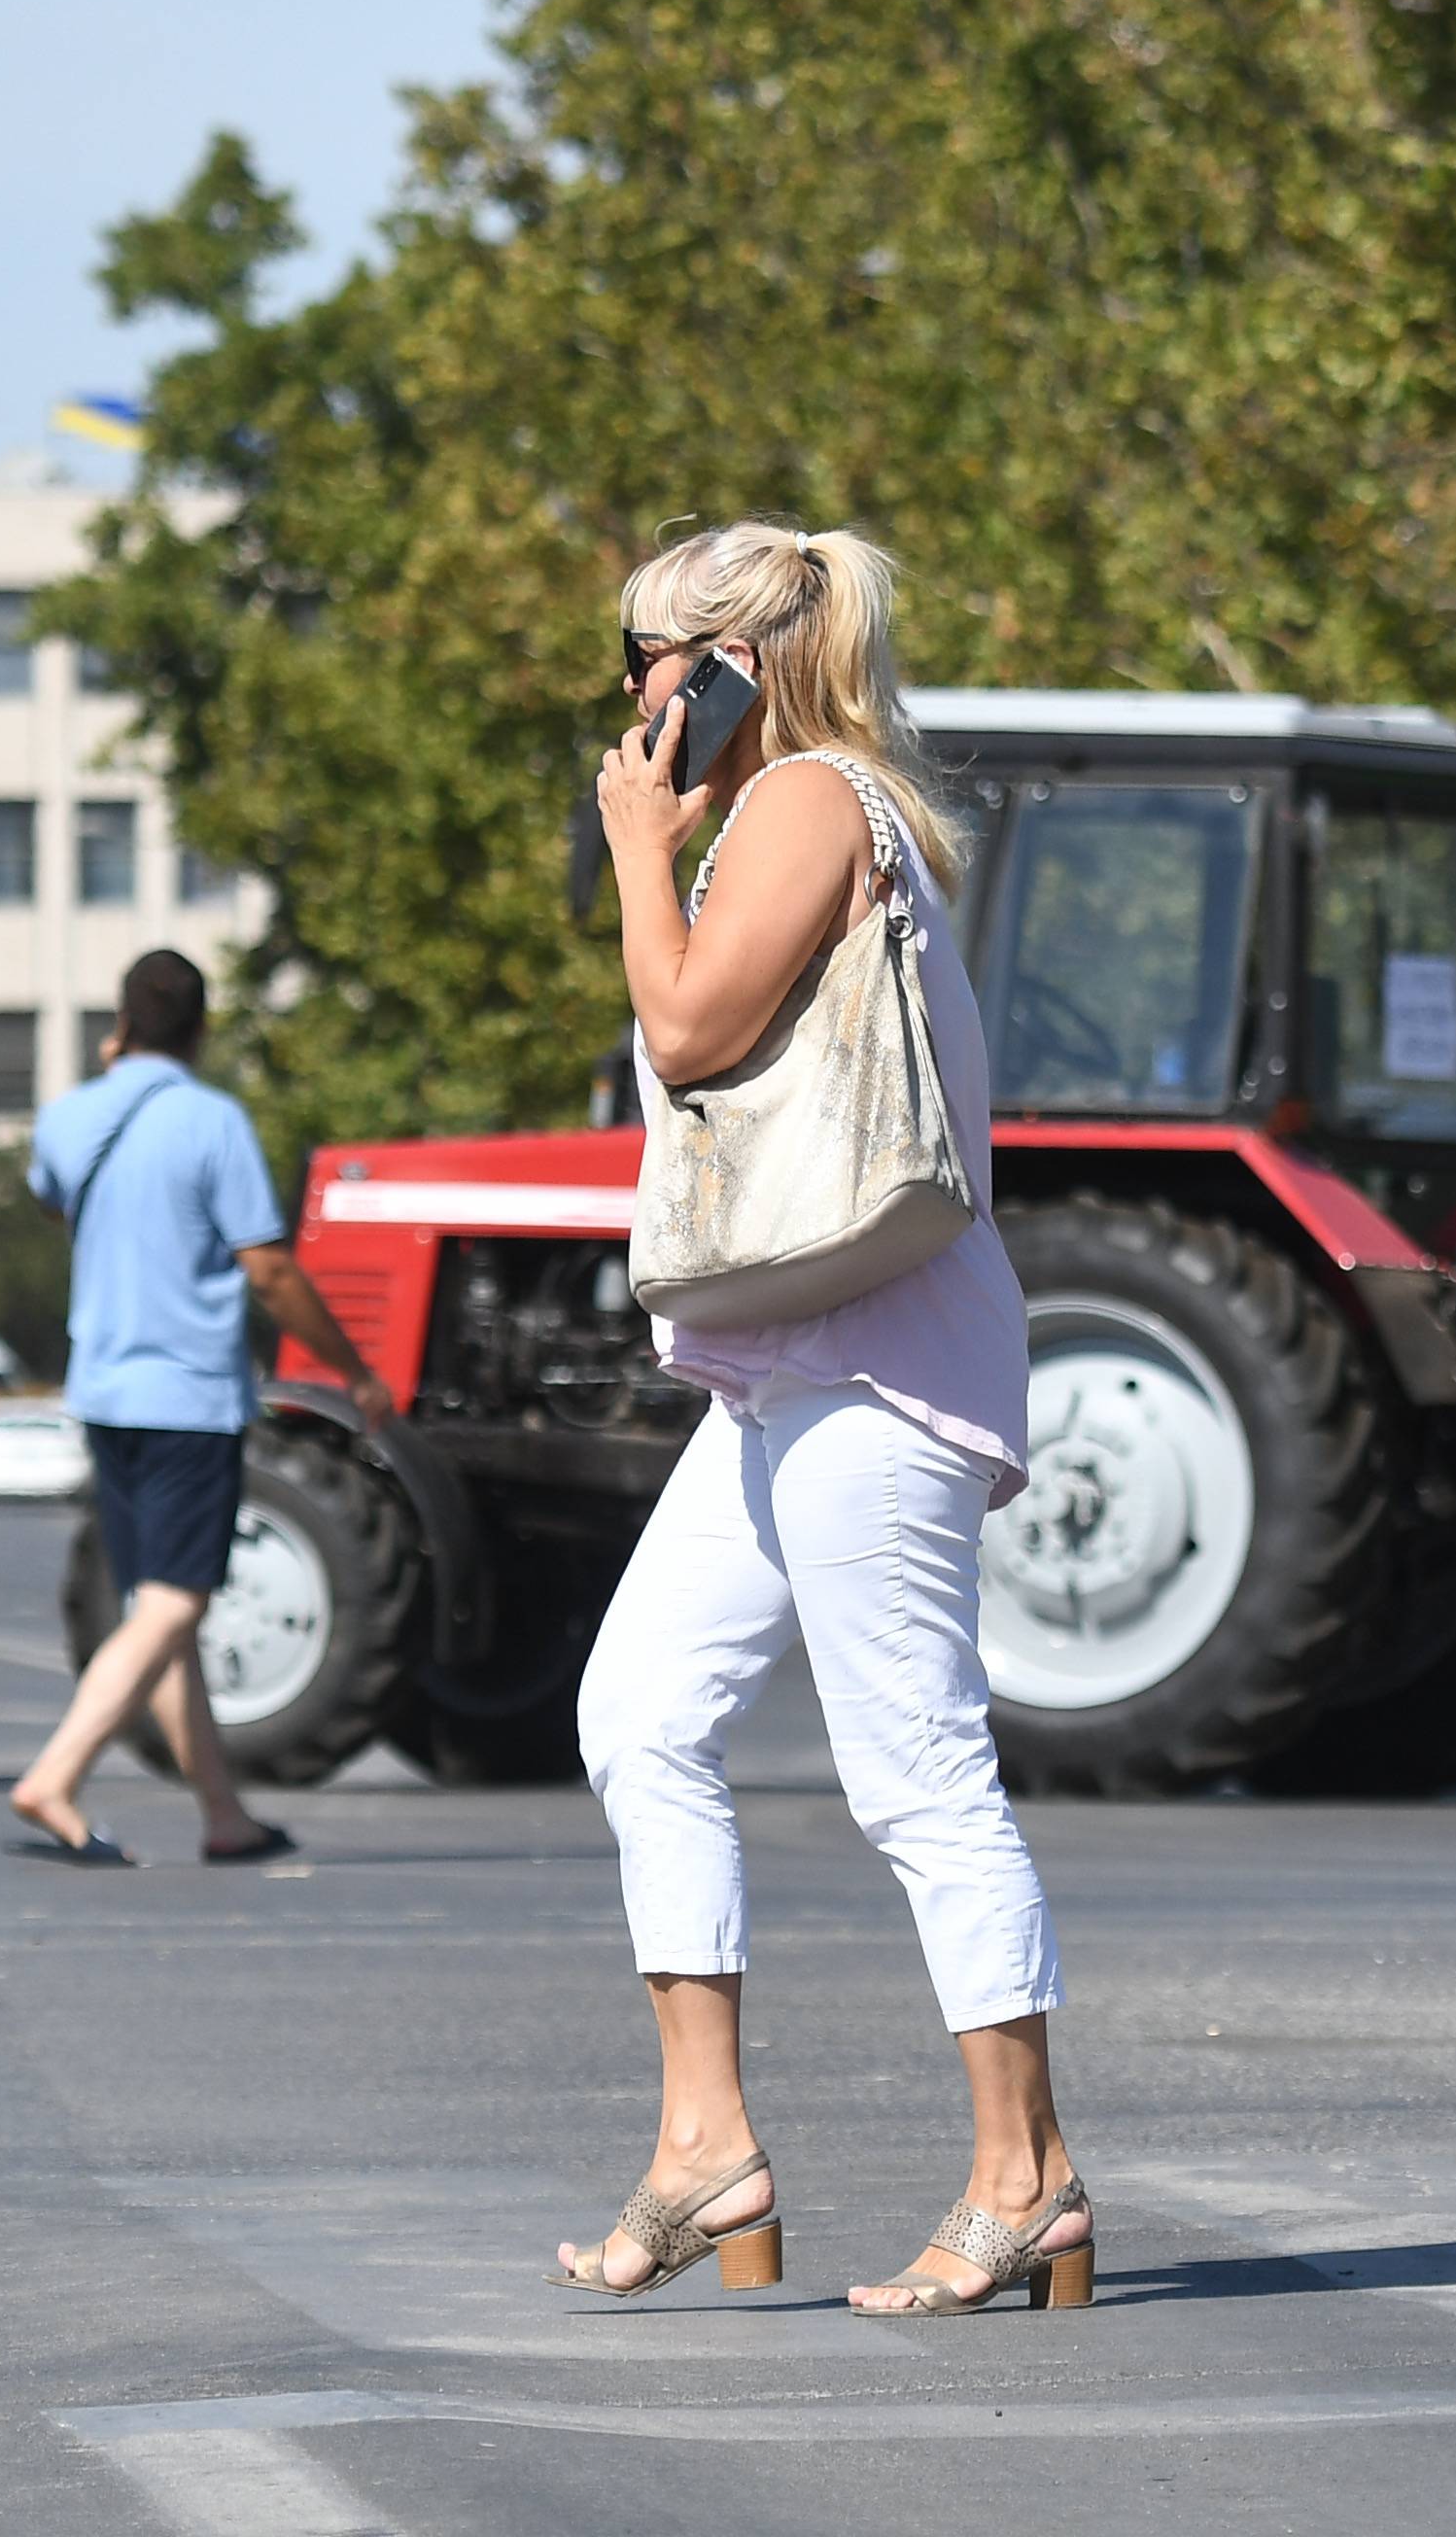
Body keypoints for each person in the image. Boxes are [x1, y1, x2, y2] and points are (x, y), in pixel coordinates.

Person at [561, 522, 1090, 2323]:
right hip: (794, 1358)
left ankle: (1026, 2178)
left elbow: (687, 1027)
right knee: (639, 1712)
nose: (628, 699)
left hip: (875, 1363)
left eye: (643, 661)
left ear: (726, 667)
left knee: (915, 1766)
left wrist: (641, 851)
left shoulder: (802, 799)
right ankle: (705, 2142)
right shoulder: (792, 811)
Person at [4, 948, 364, 1869]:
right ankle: (56, 1775)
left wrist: (108, 1075)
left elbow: (53, 1201)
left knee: (155, 1605)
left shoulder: (69, 1117)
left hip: (104, 1391)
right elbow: (269, 1269)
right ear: (201, 1032)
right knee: (173, 1604)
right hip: (189, 1397)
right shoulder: (213, 1123)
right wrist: (350, 1368)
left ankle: (223, 1815)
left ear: (121, 1024)